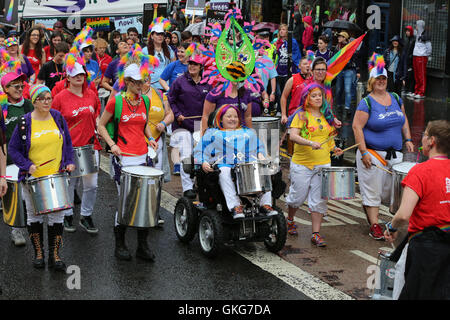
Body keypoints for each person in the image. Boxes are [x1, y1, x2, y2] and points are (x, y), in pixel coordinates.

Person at [8, 84, 75, 271]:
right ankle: (39, 253)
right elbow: (13, 149)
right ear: (34, 101)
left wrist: (69, 161)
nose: (47, 102)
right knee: (34, 214)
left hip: (57, 175)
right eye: (42, 99)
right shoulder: (24, 122)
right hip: (33, 178)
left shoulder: (58, 118)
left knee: (57, 215)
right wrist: (26, 165)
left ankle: (55, 255)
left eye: (49, 98)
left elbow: (67, 143)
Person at [97, 60, 158, 262]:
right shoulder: (117, 101)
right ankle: (120, 243)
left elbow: (144, 125)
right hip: (123, 158)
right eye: (138, 83)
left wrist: (150, 138)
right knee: (126, 200)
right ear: (128, 82)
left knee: (144, 201)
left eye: (144, 82)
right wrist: (112, 145)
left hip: (143, 158)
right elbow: (101, 126)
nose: (141, 86)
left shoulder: (145, 101)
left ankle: (142, 245)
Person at [384, 120, 450, 300]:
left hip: (424, 246)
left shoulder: (419, 171)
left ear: (432, 141)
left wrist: (392, 227)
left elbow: (404, 214)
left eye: (425, 135)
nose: (422, 139)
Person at [352, 57, 414, 240]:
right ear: (371, 81)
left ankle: (371, 209)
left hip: (395, 154)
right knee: (373, 190)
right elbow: (357, 127)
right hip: (372, 153)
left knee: (390, 192)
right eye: (377, 78)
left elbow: (404, 120)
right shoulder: (367, 102)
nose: (381, 81)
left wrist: (408, 138)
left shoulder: (395, 98)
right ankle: (374, 224)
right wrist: (363, 152)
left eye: (384, 78)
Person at [194, 104, 278, 219]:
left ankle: (266, 204)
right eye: (229, 116)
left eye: (235, 116)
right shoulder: (212, 133)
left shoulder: (247, 132)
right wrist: (203, 162)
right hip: (225, 163)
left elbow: (259, 147)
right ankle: (236, 206)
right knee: (224, 171)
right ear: (221, 119)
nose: (232, 119)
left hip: (247, 162)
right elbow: (200, 150)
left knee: (264, 169)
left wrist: (261, 155)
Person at [285, 83, 343, 245]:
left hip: (323, 163)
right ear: (307, 98)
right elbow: (293, 137)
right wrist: (310, 143)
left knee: (320, 199)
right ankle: (290, 219)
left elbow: (329, 136)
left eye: (320, 95)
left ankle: (316, 233)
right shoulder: (301, 115)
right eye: (314, 95)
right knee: (297, 197)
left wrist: (334, 148)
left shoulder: (327, 115)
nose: (318, 98)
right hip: (302, 164)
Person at [52, 60, 102, 234]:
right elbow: (53, 122)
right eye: (75, 75)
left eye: (82, 74)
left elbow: (96, 114)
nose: (79, 77)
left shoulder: (91, 95)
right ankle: (67, 214)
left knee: (92, 184)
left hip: (89, 145)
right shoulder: (59, 98)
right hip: (69, 148)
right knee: (70, 183)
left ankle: (86, 215)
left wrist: (98, 128)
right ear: (68, 77)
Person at [168, 54, 211, 198]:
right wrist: (177, 113)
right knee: (186, 156)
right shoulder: (180, 81)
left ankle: (200, 184)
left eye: (195, 64)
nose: (192, 66)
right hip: (182, 125)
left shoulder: (207, 83)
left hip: (200, 125)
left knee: (200, 157)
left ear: (201, 67)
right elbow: (171, 100)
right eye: (190, 63)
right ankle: (188, 188)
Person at [1, 72, 34, 246]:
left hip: (23, 158)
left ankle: (18, 230)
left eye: (22, 86)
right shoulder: (1, 107)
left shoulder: (27, 104)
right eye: (16, 86)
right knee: (7, 195)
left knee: (22, 195)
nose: (20, 89)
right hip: (4, 159)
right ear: (6, 89)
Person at [333, 31, 360, 120]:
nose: (338, 38)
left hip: (349, 70)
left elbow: (356, 58)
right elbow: (334, 58)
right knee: (339, 89)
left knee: (348, 90)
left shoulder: (351, 47)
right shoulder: (337, 47)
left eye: (340, 37)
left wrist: (358, 71)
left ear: (345, 38)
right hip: (340, 70)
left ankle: (347, 108)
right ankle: (339, 105)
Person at [275, 24, 301, 114]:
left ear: (287, 31)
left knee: (286, 93)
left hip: (288, 70)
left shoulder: (292, 41)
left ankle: (286, 111)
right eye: (280, 29)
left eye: (284, 29)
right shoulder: (277, 42)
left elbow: (296, 55)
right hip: (279, 70)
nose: (281, 31)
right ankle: (279, 109)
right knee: (279, 92)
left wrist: (298, 67)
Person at [143, 23, 176, 91]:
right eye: (157, 34)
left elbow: (174, 65)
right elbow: (142, 70)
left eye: (162, 34)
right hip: (152, 86)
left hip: (166, 85)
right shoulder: (145, 51)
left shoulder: (169, 49)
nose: (160, 36)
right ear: (152, 36)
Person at [281, 56, 312, 124]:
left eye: (309, 64)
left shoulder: (314, 80)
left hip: (310, 115)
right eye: (305, 64)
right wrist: (283, 115)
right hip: (294, 114)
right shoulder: (293, 79)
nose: (307, 66)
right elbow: (284, 97)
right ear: (299, 66)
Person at [412, 20, 432, 99]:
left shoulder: (425, 36)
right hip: (416, 56)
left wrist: (428, 55)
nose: (415, 27)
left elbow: (429, 47)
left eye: (416, 25)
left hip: (422, 57)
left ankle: (421, 92)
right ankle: (417, 91)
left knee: (421, 75)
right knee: (416, 75)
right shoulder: (417, 35)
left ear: (420, 25)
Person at [403, 26, 416, 98]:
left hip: (411, 60)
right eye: (406, 31)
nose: (407, 32)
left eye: (408, 31)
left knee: (411, 75)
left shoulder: (413, 39)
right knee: (406, 75)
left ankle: (411, 90)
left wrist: (411, 57)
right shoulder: (407, 39)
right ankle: (406, 89)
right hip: (406, 59)